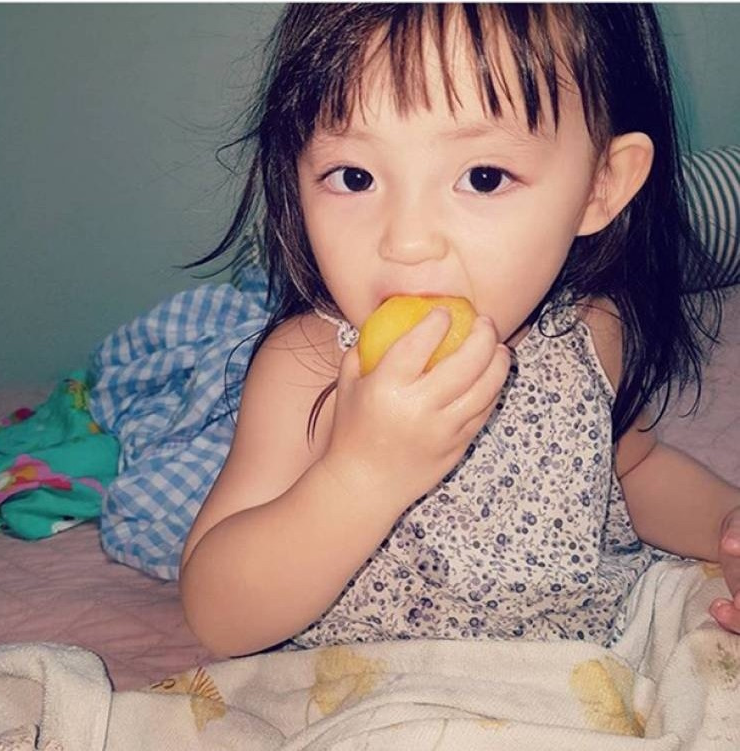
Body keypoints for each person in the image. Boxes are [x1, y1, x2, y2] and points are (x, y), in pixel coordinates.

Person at [179, 3, 740, 657]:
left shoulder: (590, 336)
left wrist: (727, 522)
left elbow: (634, 473)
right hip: (383, 685)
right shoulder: (307, 366)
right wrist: (361, 474)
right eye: (355, 177)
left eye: (483, 177)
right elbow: (218, 616)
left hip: (578, 668)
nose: (407, 241)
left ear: (600, 187)